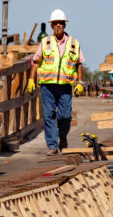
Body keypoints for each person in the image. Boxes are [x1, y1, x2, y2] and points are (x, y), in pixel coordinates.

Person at [27, 9, 85, 155]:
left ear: (65, 25)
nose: (58, 25)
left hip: (65, 87)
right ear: (51, 26)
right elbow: (35, 61)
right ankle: (52, 146)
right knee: (48, 116)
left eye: (61, 23)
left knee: (65, 116)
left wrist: (80, 83)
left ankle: (63, 137)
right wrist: (30, 80)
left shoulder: (74, 43)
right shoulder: (45, 42)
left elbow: (79, 63)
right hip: (47, 86)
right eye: (55, 23)